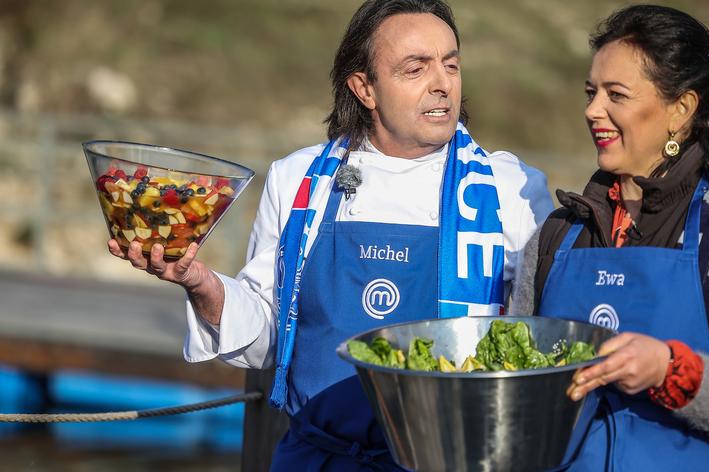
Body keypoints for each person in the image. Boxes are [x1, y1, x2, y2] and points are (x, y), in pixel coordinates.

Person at [110, 0, 553, 470]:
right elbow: (267, 336)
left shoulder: (511, 190)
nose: (442, 83)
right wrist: (202, 285)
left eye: (451, 64)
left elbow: (537, 349)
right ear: (364, 88)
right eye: (415, 68)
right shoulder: (298, 180)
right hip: (314, 458)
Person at [510, 5, 709, 471]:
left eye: (616, 94)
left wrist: (670, 370)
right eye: (591, 92)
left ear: (681, 109)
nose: (592, 110)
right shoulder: (556, 235)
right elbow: (514, 383)